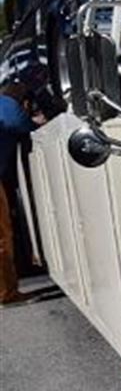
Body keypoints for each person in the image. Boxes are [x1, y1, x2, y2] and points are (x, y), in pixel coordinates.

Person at [0, 83, 42, 305]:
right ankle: (6, 293)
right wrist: (37, 123)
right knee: (2, 238)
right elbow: (17, 123)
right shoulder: (6, 104)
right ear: (24, 101)